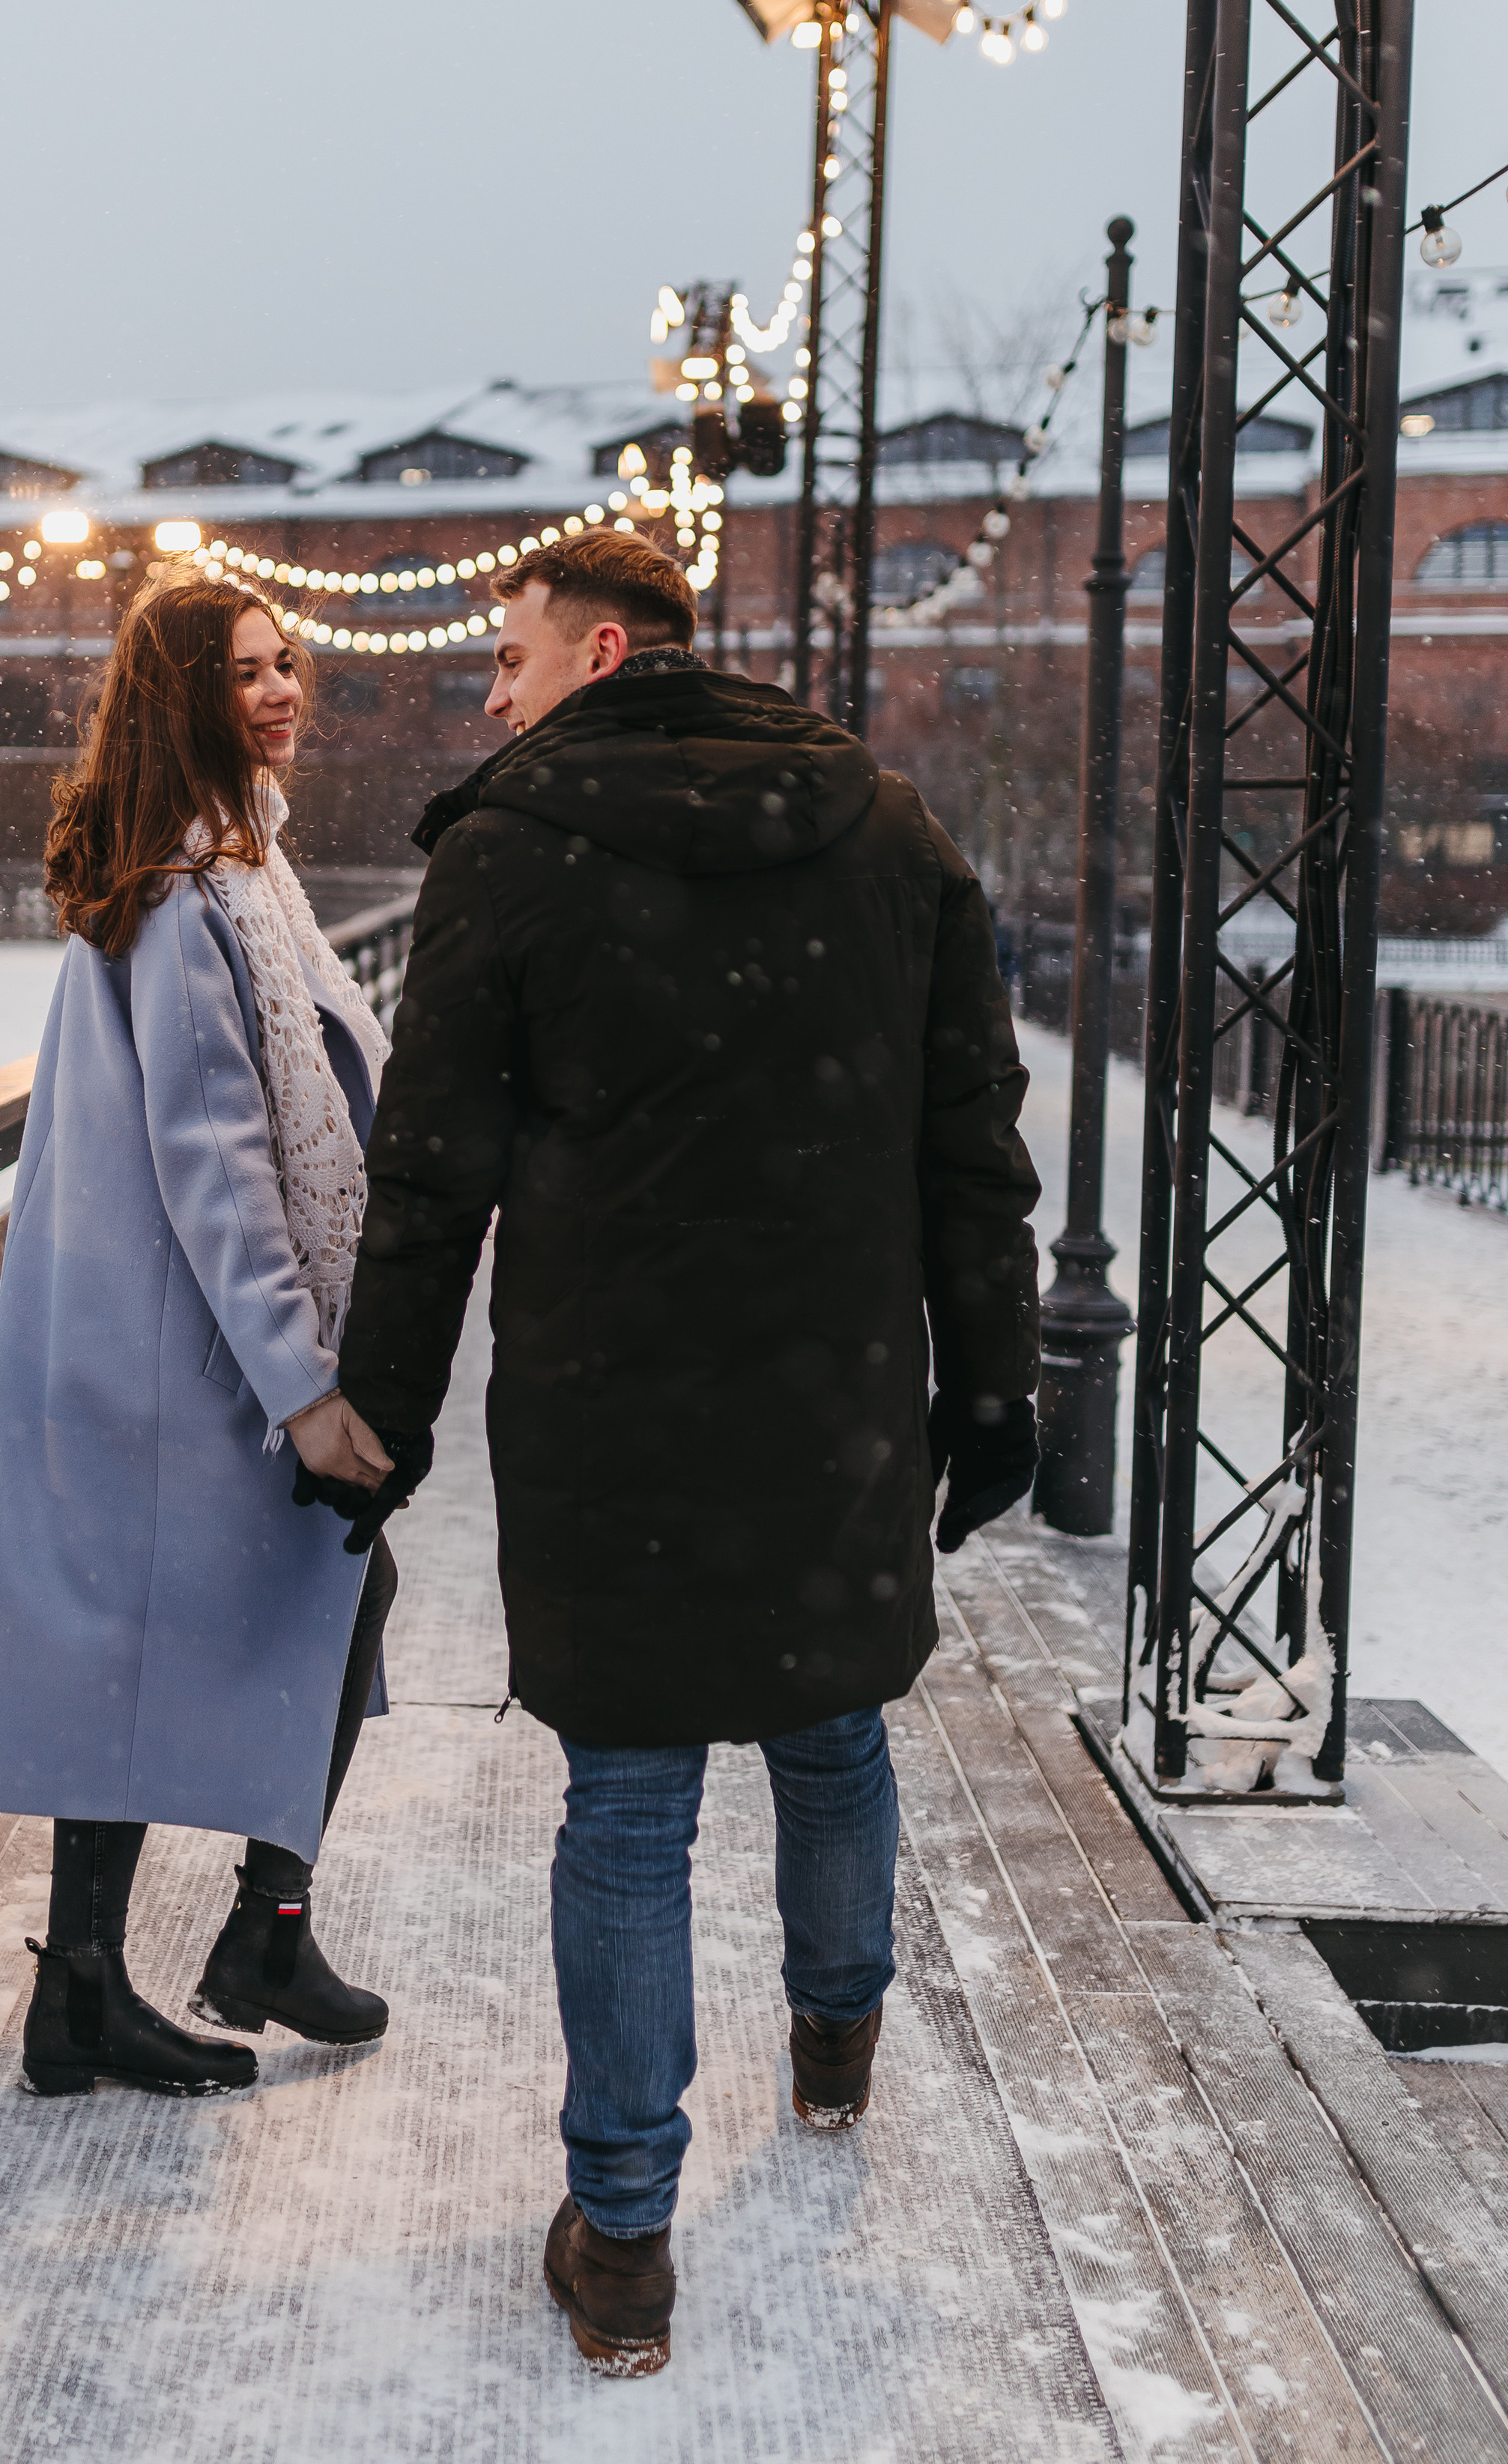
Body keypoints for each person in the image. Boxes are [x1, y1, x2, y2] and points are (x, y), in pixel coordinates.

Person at [321, 532, 1040, 2376]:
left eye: (506, 655)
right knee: (829, 1733)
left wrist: (379, 1417)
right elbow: (969, 1134)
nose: (488, 691)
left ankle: (625, 2241)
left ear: (603, 650)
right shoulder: (887, 834)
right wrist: (990, 1384)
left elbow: (431, 1178)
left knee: (629, 1808)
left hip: (612, 1407)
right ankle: (834, 2042)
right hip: (834, 1390)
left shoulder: (508, 853)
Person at [0, 572, 399, 2100]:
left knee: (132, 1653)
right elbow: (212, 1163)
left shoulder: (228, 867)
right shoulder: (185, 892)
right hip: (181, 1354)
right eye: (245, 674)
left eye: (288, 666)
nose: (281, 692)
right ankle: (246, 1935)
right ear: (180, 701)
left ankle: (99, 1986)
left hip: (154, 1339)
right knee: (337, 1571)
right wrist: (302, 1390)